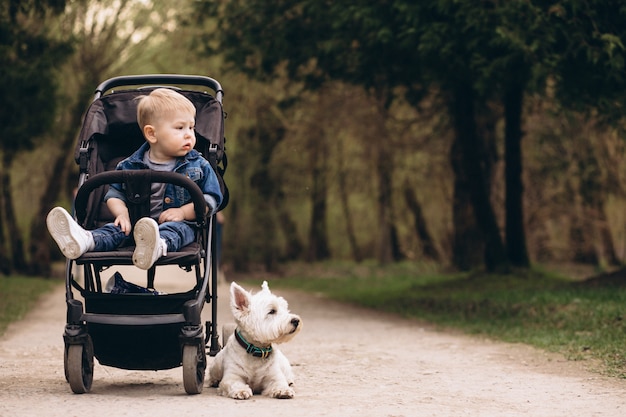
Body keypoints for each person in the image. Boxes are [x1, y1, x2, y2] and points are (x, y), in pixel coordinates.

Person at [47, 88, 223, 270]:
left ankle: (158, 246)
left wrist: (183, 213)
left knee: (176, 231)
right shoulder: (129, 166)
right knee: (114, 230)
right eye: (180, 128)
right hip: (135, 226)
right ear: (152, 134)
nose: (189, 134)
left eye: (191, 127)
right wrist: (122, 214)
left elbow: (212, 199)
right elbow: (114, 195)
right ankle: (85, 240)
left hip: (179, 225)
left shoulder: (198, 165)